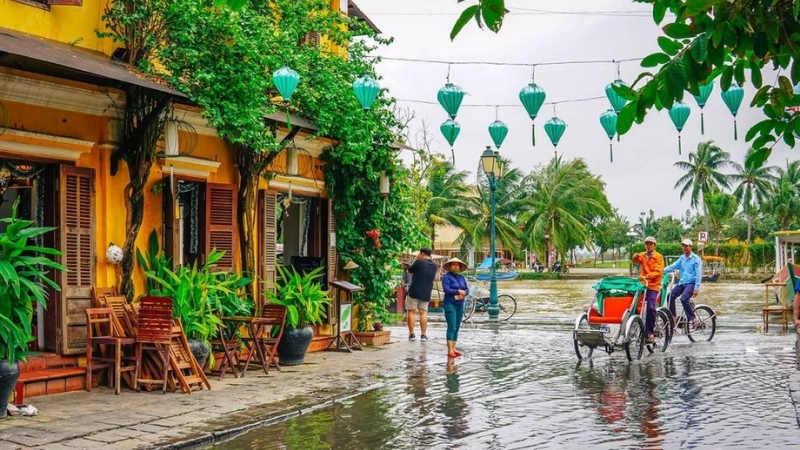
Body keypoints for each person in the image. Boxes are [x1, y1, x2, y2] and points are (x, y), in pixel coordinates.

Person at [663, 239, 702, 328]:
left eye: (686, 246)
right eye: (683, 246)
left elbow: (699, 274)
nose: (684, 248)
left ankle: (693, 318)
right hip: (682, 282)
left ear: (690, 247)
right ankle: (673, 317)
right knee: (670, 296)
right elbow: (672, 266)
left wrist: (696, 288)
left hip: (691, 283)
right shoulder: (682, 258)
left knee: (684, 298)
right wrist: (660, 271)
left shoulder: (696, 259)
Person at [632, 236, 665, 344]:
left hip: (653, 285)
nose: (649, 245)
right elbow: (637, 259)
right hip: (642, 285)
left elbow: (658, 271)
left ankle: (650, 332)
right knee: (630, 303)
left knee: (651, 308)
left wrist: (647, 276)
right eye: (647, 244)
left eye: (651, 244)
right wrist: (635, 255)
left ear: (654, 245)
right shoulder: (643, 255)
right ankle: (634, 324)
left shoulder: (659, 257)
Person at [406, 247, 438, 341]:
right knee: (423, 312)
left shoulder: (418, 262)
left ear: (422, 253)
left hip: (414, 290)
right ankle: (423, 335)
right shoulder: (435, 265)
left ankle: (412, 334)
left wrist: (415, 260)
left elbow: (409, 270)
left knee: (411, 311)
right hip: (427, 291)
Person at [442, 257, 469, 358]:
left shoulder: (461, 278)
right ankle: (449, 349)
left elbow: (467, 289)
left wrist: (464, 293)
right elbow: (446, 290)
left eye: (457, 265)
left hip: (460, 304)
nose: (455, 266)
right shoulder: (446, 277)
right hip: (450, 304)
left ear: (460, 267)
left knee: (457, 327)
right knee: (451, 326)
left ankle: (454, 347)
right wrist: (458, 291)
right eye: (453, 264)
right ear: (449, 266)